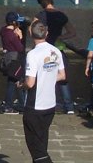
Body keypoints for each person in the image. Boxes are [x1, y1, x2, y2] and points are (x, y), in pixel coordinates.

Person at [23, 20, 65, 163]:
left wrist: (20, 84)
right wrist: (47, 78)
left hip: (35, 105)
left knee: (36, 149)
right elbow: (62, 75)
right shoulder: (56, 51)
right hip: (50, 104)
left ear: (30, 33)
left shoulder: (33, 54)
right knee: (42, 141)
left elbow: (30, 83)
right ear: (46, 34)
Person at [35, 0, 75, 113]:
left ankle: (46, 103)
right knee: (63, 78)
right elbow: (72, 32)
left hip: (44, 48)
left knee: (43, 75)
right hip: (58, 48)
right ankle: (69, 107)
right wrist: (60, 37)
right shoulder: (61, 15)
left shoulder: (41, 15)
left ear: (41, 4)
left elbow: (33, 30)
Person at [0, 11, 26, 113]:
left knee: (12, 82)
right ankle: (16, 105)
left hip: (8, 59)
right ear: (14, 22)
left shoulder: (3, 31)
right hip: (15, 61)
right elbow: (20, 48)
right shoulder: (12, 35)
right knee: (17, 81)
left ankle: (12, 104)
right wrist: (20, 37)